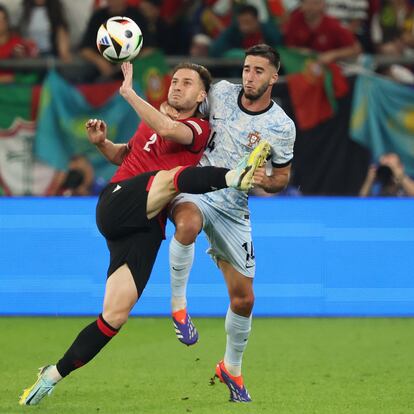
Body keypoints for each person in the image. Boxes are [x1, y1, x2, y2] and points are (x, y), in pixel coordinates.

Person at [19, 60, 271, 406]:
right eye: (175, 80)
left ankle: (52, 374)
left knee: (114, 316)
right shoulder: (155, 120)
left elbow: (169, 131)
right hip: (118, 202)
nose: (177, 86)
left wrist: (129, 94)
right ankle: (233, 176)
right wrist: (101, 143)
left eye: (187, 82)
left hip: (145, 227)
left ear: (201, 95)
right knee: (171, 176)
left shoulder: (197, 129)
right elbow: (125, 155)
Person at [167, 43, 296, 402]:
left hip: (233, 208)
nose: (249, 76)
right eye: (246, 69)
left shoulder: (281, 126)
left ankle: (231, 368)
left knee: (243, 300)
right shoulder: (221, 94)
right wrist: (172, 104)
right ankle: (179, 307)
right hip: (198, 185)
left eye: (258, 71)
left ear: (273, 77)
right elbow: (188, 110)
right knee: (187, 225)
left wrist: (258, 180)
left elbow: (281, 178)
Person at [79, 0, 147, 79]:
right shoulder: (97, 17)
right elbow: (85, 49)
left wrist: (129, 60)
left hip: (133, 69)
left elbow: (149, 48)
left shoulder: (137, 16)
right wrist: (99, 61)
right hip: (102, 72)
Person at [283, 0, 362, 64]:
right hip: (300, 66)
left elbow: (355, 49)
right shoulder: (295, 20)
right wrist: (299, 51)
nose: (310, 7)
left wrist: (333, 54)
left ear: (323, 5)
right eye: (306, 3)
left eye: (315, 3)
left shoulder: (332, 25)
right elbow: (287, 47)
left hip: (328, 69)